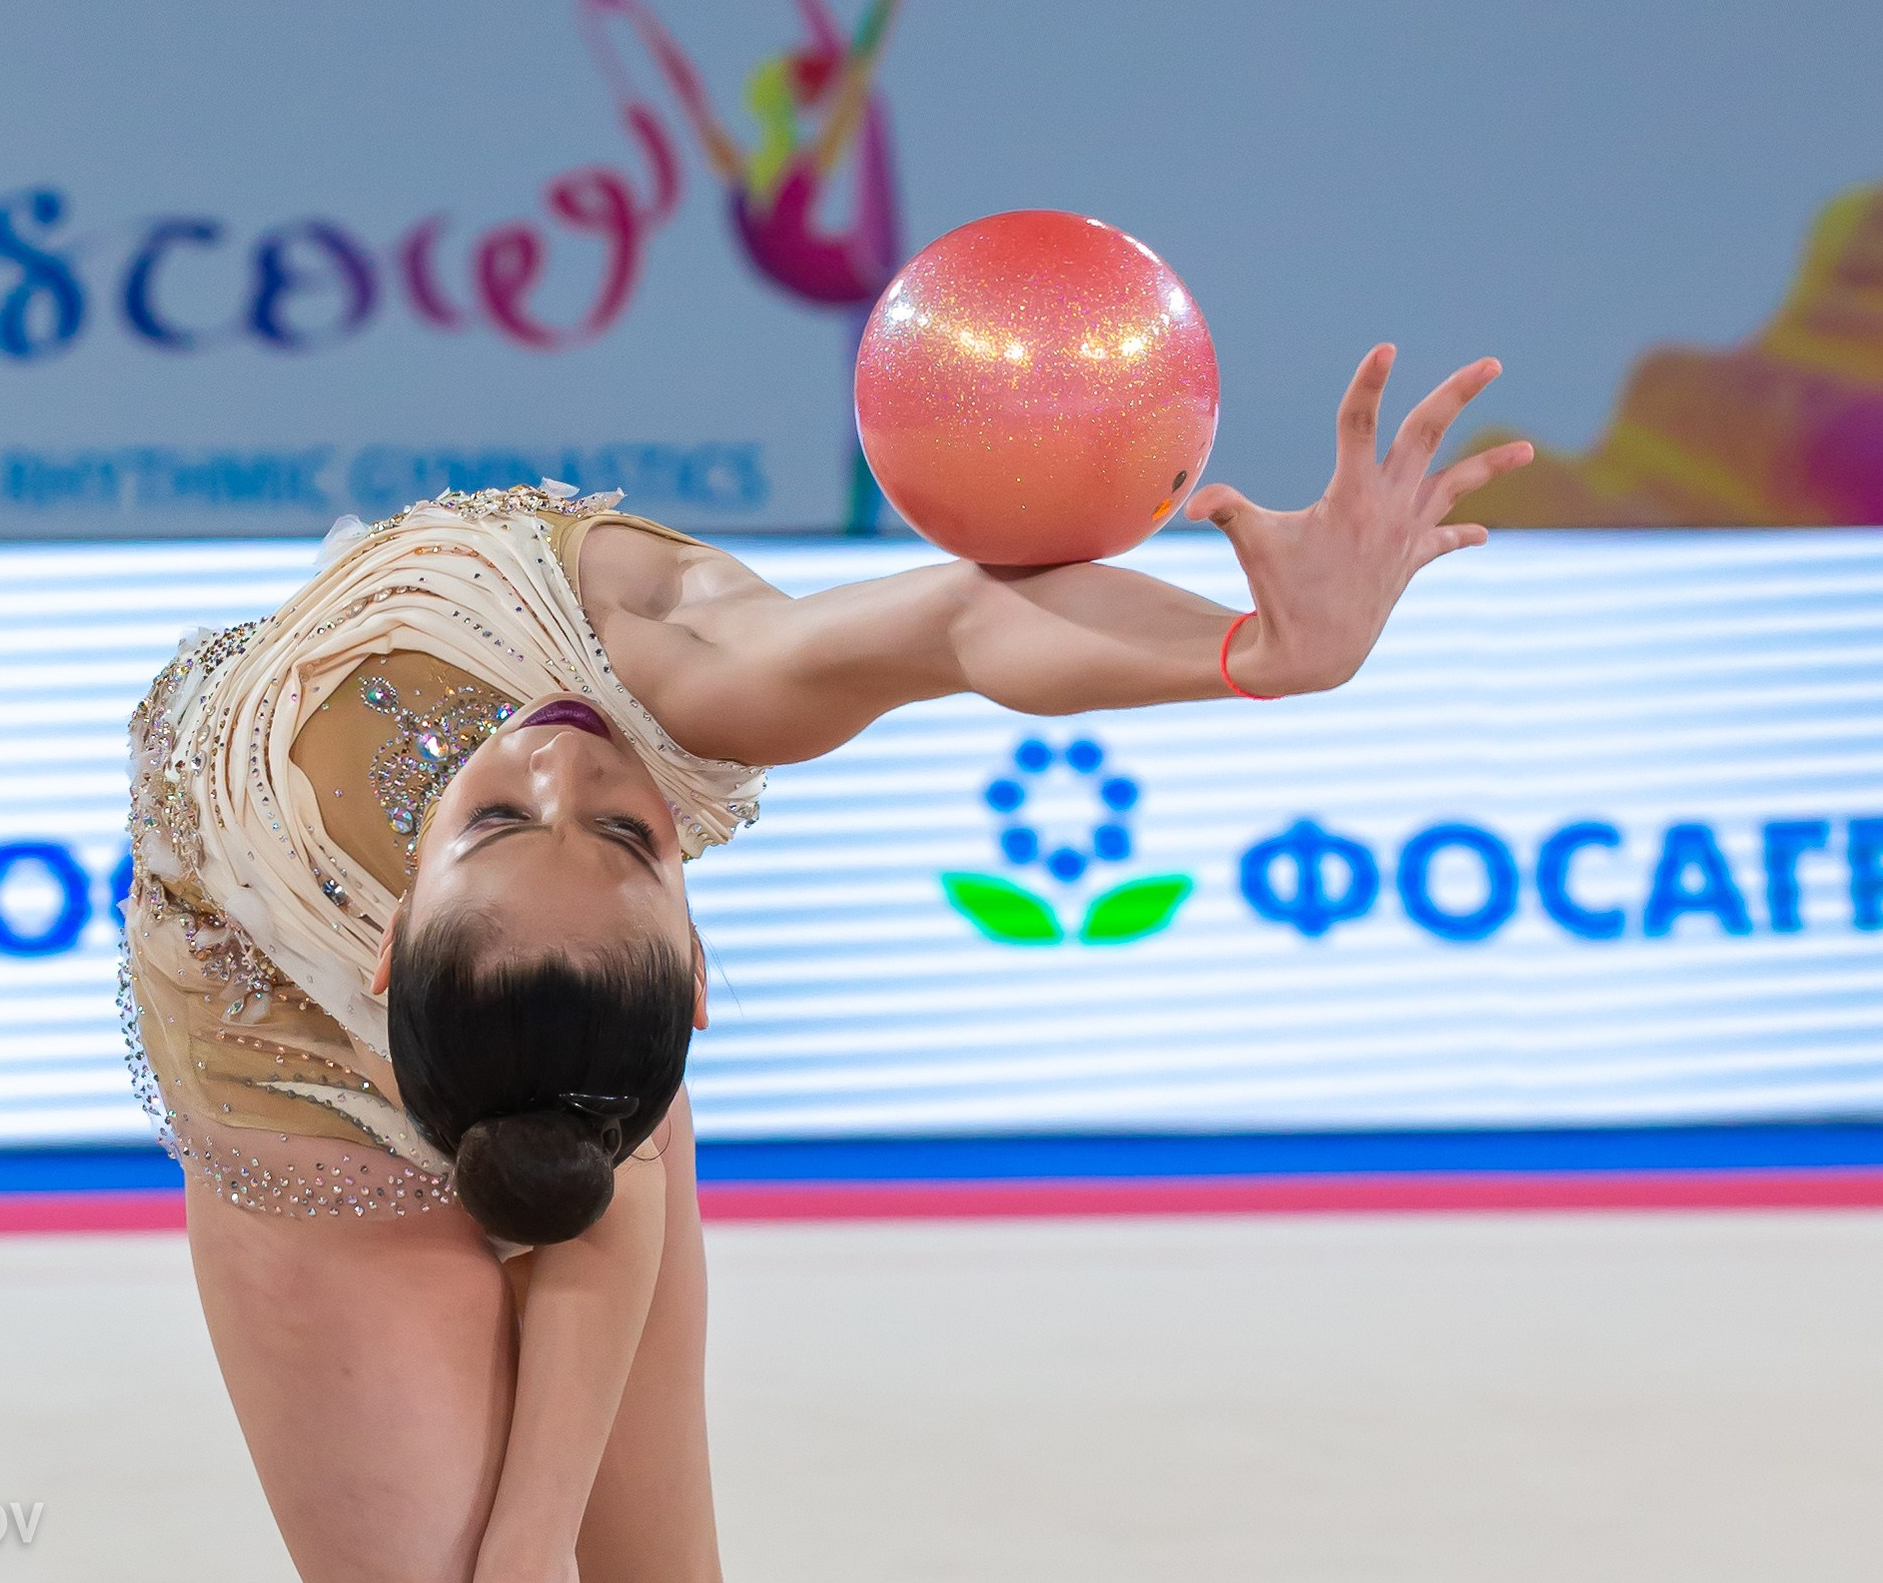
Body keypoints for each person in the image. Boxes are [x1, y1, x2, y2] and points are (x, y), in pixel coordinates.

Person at [121, 348, 1533, 1582]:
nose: (562, 760)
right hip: (283, 1060)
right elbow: (962, 628)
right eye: (520, 820)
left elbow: (964, 624)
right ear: (389, 941)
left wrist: (1254, 652)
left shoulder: (641, 766)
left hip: (557, 1033)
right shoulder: (524, 832)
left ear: (696, 979)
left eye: (628, 837)